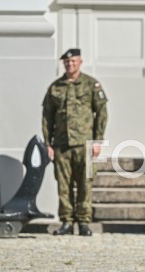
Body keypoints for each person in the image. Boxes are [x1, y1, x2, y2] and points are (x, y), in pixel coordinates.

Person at [42, 48, 108, 236]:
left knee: (85, 184)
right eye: (67, 62)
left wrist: (98, 141)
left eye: (73, 61)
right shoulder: (55, 87)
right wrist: (48, 143)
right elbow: (47, 117)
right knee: (64, 185)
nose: (70, 64)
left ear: (80, 62)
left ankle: (84, 222)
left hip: (85, 144)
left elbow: (102, 113)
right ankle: (67, 222)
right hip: (62, 145)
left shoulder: (91, 85)